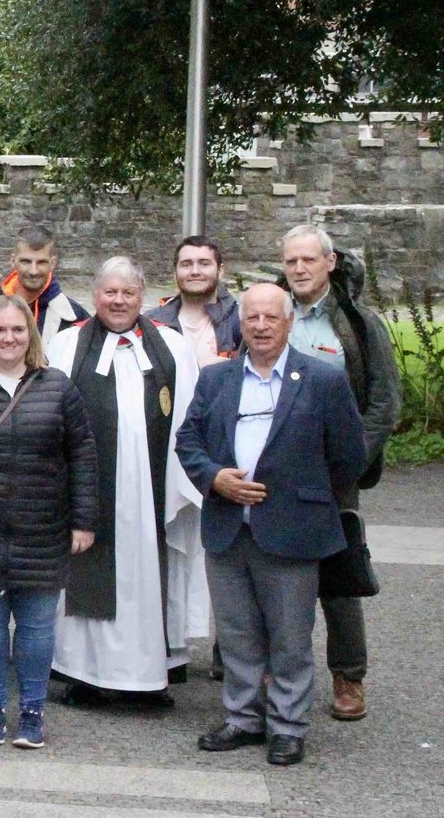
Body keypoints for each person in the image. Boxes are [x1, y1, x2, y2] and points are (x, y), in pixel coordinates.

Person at [176, 284, 366, 767]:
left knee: (289, 637)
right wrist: (214, 477)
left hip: (292, 531)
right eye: (252, 317)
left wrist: (301, 494)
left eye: (270, 318)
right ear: (240, 323)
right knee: (237, 633)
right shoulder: (217, 379)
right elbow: (188, 439)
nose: (260, 326)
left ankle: (287, 725)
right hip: (227, 526)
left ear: (288, 323)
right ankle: (242, 718)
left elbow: (348, 457)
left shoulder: (322, 380)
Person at [0, 295, 99, 750]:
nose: (9, 338)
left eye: (18, 330)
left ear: (31, 335)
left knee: (36, 628)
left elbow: (83, 455)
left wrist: (84, 520)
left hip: (42, 527)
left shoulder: (58, 387)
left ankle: (31, 711)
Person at [46, 258, 207, 708]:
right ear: (95, 295)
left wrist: (184, 488)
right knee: (89, 578)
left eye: (128, 293)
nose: (119, 301)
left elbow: (190, 419)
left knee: (147, 579)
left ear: (142, 296)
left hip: (152, 492)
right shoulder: (66, 345)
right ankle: (86, 674)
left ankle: (149, 675)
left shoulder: (171, 347)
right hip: (90, 494)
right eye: (109, 292)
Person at [280, 224, 400, 722]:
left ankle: (349, 677)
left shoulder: (358, 322)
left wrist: (354, 457)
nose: (300, 269)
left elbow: (384, 401)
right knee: (277, 573)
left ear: (330, 263)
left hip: (336, 473)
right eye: (291, 262)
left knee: (340, 576)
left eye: (309, 259)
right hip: (277, 469)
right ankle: (275, 672)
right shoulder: (269, 314)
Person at [148, 237, 242, 366]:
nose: (195, 272)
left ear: (220, 271)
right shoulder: (151, 323)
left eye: (204, 264)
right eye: (186, 265)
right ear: (175, 273)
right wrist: (196, 369)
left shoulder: (241, 320)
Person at [0, 224, 89, 335]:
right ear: (13, 261)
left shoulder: (75, 317)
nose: (33, 271)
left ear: (53, 263)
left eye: (41, 262)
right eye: (26, 261)